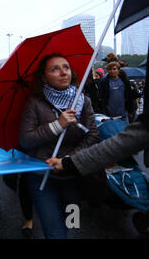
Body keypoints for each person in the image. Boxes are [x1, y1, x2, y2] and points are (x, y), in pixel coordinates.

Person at [18, 53, 100, 239]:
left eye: (66, 67)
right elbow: (26, 139)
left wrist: (67, 160)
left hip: (73, 174)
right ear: (44, 77)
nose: (63, 72)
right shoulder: (35, 103)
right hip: (42, 176)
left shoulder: (83, 100)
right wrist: (57, 125)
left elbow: (93, 135)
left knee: (72, 222)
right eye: (55, 69)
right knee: (55, 233)